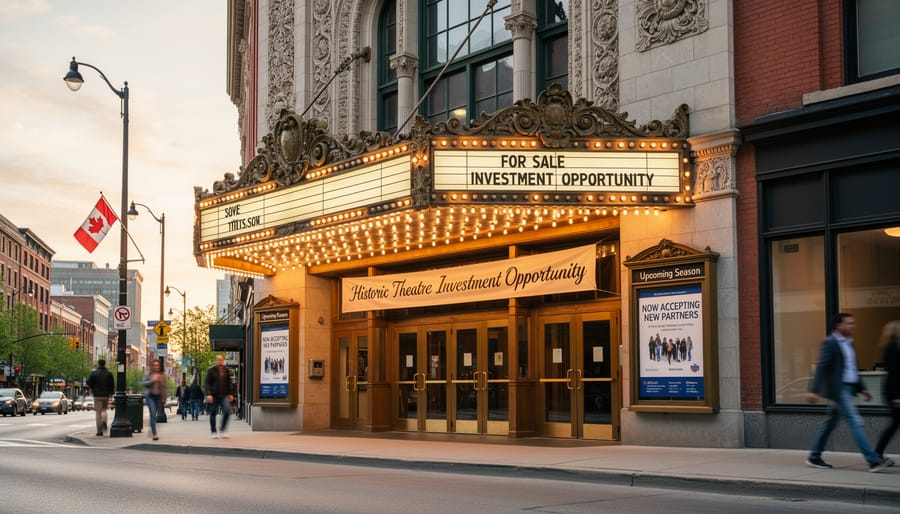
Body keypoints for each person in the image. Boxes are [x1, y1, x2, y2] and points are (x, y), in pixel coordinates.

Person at [805, 313, 892, 472]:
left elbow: (852, 369)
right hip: (839, 390)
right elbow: (822, 367)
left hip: (848, 388)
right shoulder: (830, 343)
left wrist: (863, 388)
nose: (853, 326)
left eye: (853, 323)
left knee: (829, 424)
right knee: (854, 421)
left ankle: (814, 456)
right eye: (849, 323)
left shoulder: (849, 344)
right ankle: (873, 460)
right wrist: (814, 390)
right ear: (839, 326)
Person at [875, 320, 900, 462]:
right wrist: (896, 396)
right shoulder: (892, 348)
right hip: (894, 392)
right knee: (894, 424)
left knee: (894, 424)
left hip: (893, 391)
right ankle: (877, 453)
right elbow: (894, 373)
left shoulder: (893, 347)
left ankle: (878, 453)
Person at [205, 354, 234, 438]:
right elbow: (207, 383)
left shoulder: (226, 370)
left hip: (224, 395)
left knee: (227, 411)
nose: (220, 361)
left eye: (221, 360)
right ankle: (213, 432)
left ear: (223, 360)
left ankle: (223, 429)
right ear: (216, 361)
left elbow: (229, 383)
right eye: (218, 360)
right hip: (213, 395)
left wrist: (231, 394)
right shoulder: (211, 370)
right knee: (213, 413)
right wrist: (208, 394)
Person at [86, 358, 114, 436]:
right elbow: (112, 384)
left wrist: (93, 388)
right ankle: (104, 421)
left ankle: (99, 431)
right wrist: (111, 393)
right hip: (106, 395)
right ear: (105, 364)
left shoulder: (94, 373)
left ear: (98, 363)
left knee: (98, 412)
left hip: (97, 395)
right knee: (104, 410)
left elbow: (88, 382)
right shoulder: (109, 373)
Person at [142, 360, 167, 441]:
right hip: (150, 397)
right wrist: (152, 380)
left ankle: (152, 428)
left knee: (155, 415)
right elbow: (144, 384)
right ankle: (154, 434)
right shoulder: (148, 374)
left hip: (159, 397)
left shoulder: (162, 375)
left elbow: (164, 387)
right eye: (154, 365)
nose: (156, 367)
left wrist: (164, 397)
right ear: (152, 366)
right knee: (152, 414)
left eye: (157, 365)